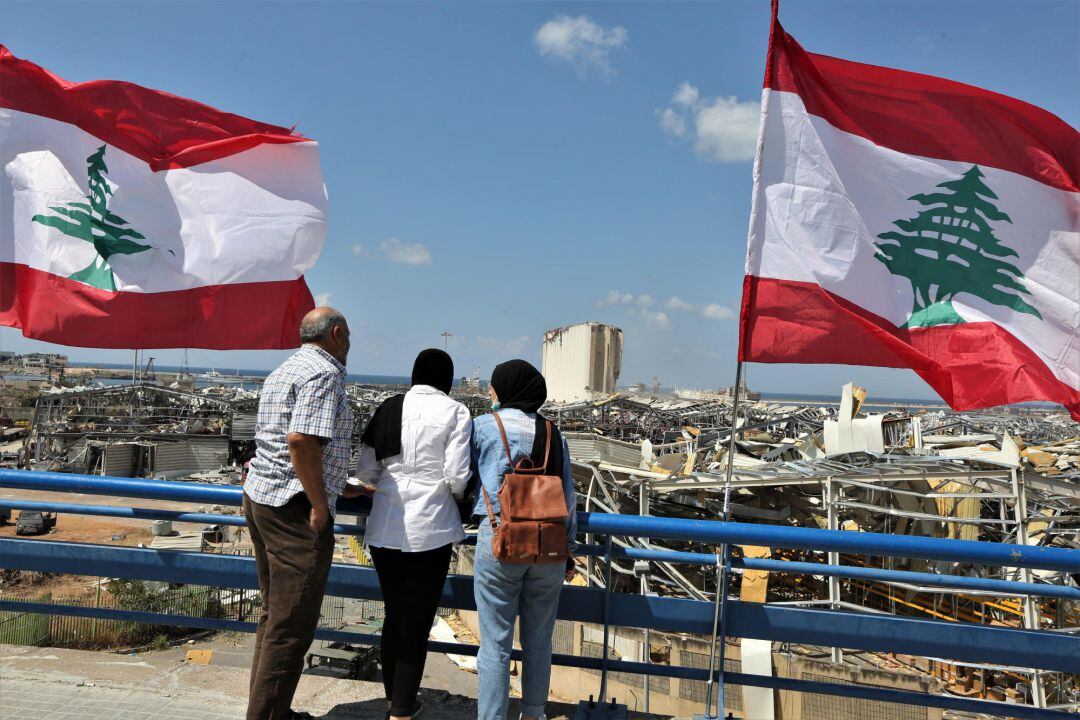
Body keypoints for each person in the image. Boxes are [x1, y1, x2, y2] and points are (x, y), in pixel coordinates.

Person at [242, 307, 364, 720]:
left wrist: (336, 483)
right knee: (291, 624)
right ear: (336, 334)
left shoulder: (286, 369)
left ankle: (272, 710)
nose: (349, 343)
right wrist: (318, 502)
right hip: (294, 509)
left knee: (274, 616)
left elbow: (283, 439)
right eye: (347, 335)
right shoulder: (325, 373)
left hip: (262, 496)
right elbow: (300, 441)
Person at [355, 349, 473, 720]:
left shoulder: (388, 408)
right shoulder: (456, 412)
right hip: (432, 528)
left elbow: (366, 471)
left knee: (394, 614)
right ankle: (402, 710)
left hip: (385, 523)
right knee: (418, 620)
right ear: (447, 380)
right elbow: (457, 476)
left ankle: (395, 700)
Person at [470, 359, 577, 720]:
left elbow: (462, 479)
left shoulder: (484, 427)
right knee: (539, 639)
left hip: (501, 538)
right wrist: (570, 550)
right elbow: (569, 497)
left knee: (496, 643)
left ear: (505, 389)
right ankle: (533, 713)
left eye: (493, 386)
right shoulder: (554, 433)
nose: (489, 392)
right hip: (548, 543)